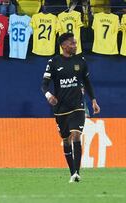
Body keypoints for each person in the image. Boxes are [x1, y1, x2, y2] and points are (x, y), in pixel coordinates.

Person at [41, 33, 100, 183]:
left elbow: (87, 82)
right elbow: (44, 85)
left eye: (75, 43)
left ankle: (77, 172)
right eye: (72, 43)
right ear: (63, 46)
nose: (75, 45)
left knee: (76, 135)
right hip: (61, 108)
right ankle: (72, 172)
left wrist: (93, 100)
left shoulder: (81, 61)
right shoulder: (53, 62)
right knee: (66, 140)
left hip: (78, 106)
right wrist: (49, 96)